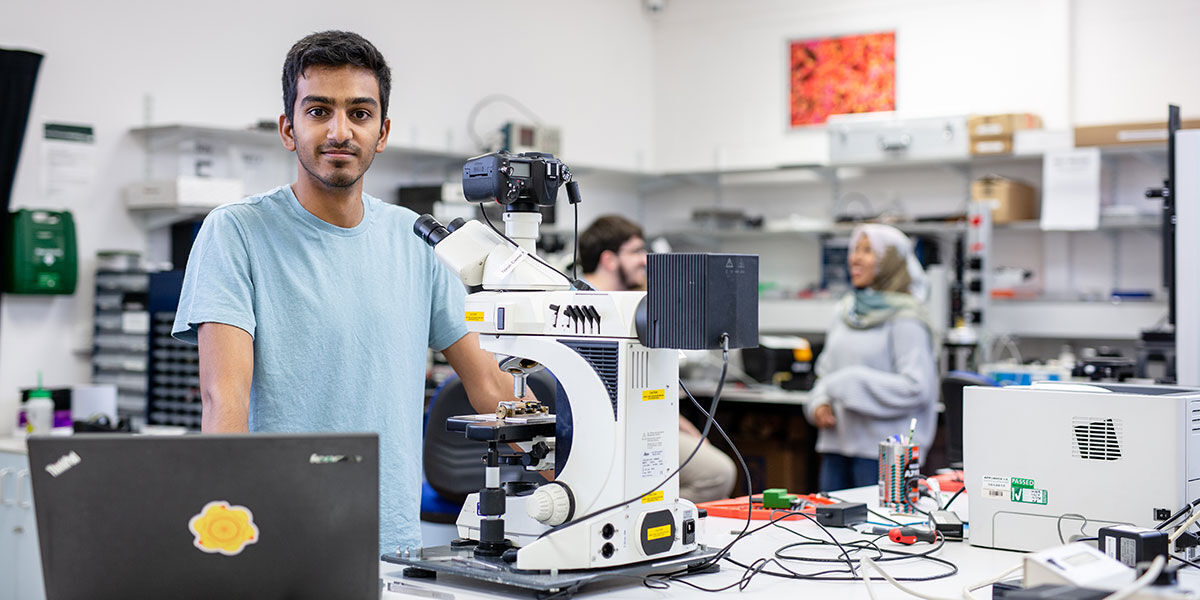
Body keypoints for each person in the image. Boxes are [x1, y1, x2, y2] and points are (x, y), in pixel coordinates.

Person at [172, 31, 527, 554]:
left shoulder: (416, 240)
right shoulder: (236, 232)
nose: (340, 131)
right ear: (288, 129)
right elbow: (224, 403)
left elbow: (492, 388)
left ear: (381, 133)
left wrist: (584, 456)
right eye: (319, 111)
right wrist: (228, 548)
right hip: (276, 543)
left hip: (393, 545)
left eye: (359, 113)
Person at [580, 215, 737, 504]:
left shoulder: (633, 303)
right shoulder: (578, 307)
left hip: (642, 421)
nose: (645, 260)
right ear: (609, 259)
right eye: (636, 251)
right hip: (600, 429)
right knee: (718, 474)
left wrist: (672, 418)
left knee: (716, 468)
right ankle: (637, 511)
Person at [803, 223, 938, 492]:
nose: (855, 257)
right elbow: (826, 373)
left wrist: (849, 384)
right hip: (835, 449)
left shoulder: (906, 318)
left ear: (890, 261)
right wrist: (818, 403)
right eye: (854, 249)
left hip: (883, 457)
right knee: (829, 533)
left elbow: (916, 388)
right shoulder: (845, 311)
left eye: (867, 250)